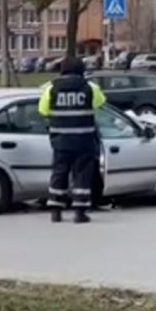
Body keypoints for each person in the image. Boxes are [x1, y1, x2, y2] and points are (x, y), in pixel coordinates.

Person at [37, 56, 106, 223]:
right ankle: (80, 212)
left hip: (60, 141)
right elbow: (100, 102)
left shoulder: (51, 89)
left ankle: (56, 210)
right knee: (82, 175)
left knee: (59, 173)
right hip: (84, 141)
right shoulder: (90, 88)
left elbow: (43, 110)